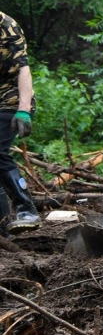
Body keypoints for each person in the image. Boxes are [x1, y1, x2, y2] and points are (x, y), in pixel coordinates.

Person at [0, 12, 40, 232]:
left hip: (11, 99)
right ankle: (3, 225)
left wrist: (23, 110)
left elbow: (23, 68)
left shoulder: (7, 27)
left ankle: (26, 209)